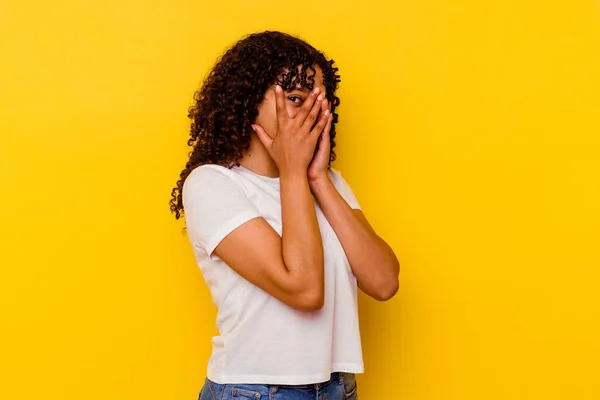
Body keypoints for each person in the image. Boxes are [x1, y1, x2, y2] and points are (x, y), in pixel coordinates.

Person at [170, 31, 400, 400]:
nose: (310, 112)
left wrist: (318, 179)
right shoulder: (212, 184)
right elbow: (305, 290)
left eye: (318, 101)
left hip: (337, 388)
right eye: (294, 98)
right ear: (247, 102)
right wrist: (293, 172)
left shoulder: (328, 182)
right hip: (256, 390)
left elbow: (384, 281)